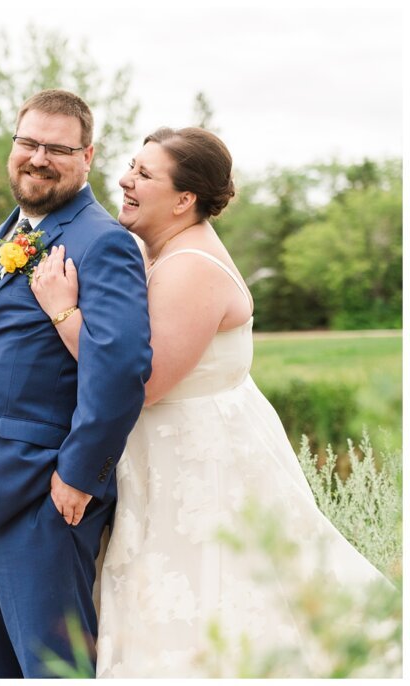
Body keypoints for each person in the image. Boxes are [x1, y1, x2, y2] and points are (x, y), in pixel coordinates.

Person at [29, 126, 391, 677]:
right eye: (131, 165)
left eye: (145, 175)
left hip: (201, 470)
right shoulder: (166, 253)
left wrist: (63, 312)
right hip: (171, 462)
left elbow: (143, 385)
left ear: (184, 199)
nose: (125, 180)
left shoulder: (190, 267)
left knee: (208, 608)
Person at [0, 89, 152, 678]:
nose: (38, 157)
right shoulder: (16, 227)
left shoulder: (102, 242)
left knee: (53, 672)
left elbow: (121, 370)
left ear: (87, 156)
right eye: (29, 143)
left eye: (57, 148)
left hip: (43, 501)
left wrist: (80, 475)